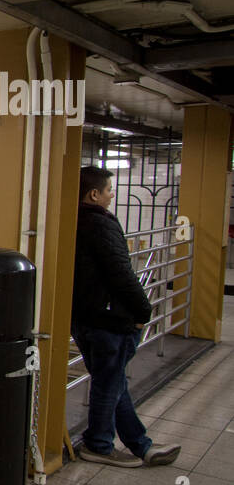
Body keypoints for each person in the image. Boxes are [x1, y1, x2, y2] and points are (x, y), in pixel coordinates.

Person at [71, 165, 179, 467]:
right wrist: (144, 310)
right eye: (108, 190)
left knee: (113, 380)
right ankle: (99, 444)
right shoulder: (101, 224)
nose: (111, 194)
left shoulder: (68, 219)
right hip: (108, 319)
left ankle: (141, 445)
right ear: (94, 194)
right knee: (109, 382)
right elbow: (121, 272)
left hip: (82, 317)